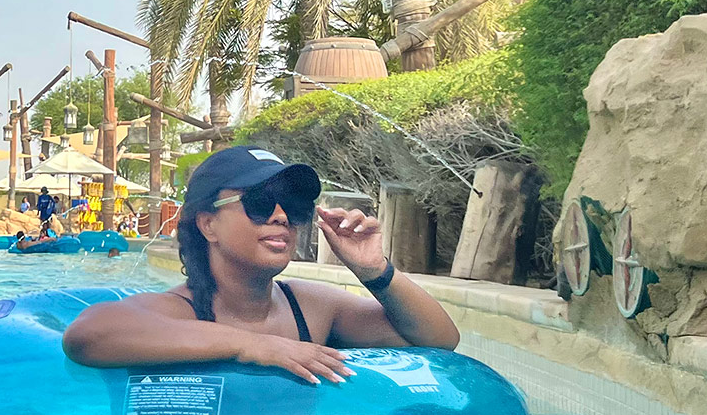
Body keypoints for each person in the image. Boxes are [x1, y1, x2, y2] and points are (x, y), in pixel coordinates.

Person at [63, 146, 459, 383]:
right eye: (258, 203)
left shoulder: (313, 309)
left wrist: (376, 270)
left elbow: (439, 340)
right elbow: (87, 336)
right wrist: (250, 346)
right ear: (208, 224)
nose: (281, 217)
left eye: (293, 206)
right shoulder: (178, 310)